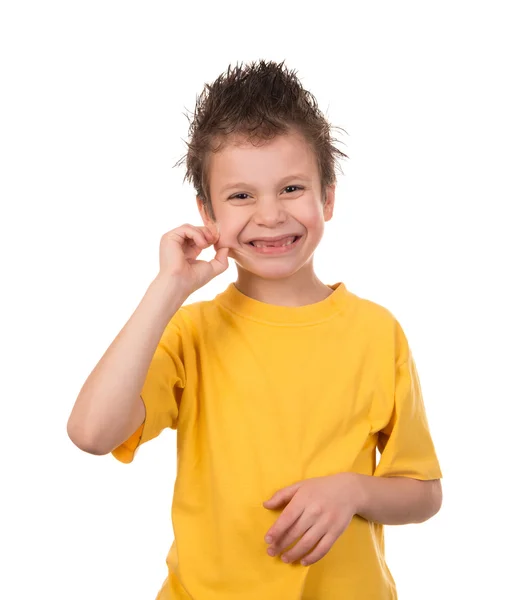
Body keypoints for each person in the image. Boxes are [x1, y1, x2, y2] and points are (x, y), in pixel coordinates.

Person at [67, 59, 443, 599]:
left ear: (327, 197)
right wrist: (168, 288)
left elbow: (424, 492)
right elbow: (91, 433)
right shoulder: (189, 334)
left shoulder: (377, 333)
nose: (269, 215)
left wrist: (353, 491)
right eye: (242, 195)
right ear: (208, 213)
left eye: (291, 188)